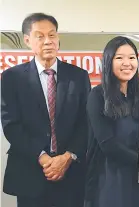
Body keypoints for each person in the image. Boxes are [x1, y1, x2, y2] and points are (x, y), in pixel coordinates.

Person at [1, 13, 91, 207]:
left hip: (71, 174)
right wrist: (42, 158)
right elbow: (11, 126)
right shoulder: (12, 78)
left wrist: (67, 157)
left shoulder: (79, 76)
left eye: (52, 35)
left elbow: (85, 123)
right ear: (27, 40)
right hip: (29, 173)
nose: (48, 41)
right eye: (40, 36)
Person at [84, 36, 139, 207]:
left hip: (134, 178)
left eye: (132, 57)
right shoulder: (97, 95)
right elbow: (108, 144)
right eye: (119, 57)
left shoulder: (134, 98)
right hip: (108, 180)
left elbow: (133, 136)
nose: (127, 63)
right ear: (108, 62)